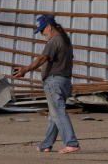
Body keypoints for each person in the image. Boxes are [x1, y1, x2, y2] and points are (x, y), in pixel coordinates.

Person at [12, 14, 81, 154]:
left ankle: (71, 143)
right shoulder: (66, 41)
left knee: (58, 113)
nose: (42, 34)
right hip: (65, 81)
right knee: (53, 116)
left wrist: (26, 69)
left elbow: (43, 57)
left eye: (42, 30)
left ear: (49, 27)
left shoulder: (54, 41)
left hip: (54, 81)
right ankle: (46, 145)